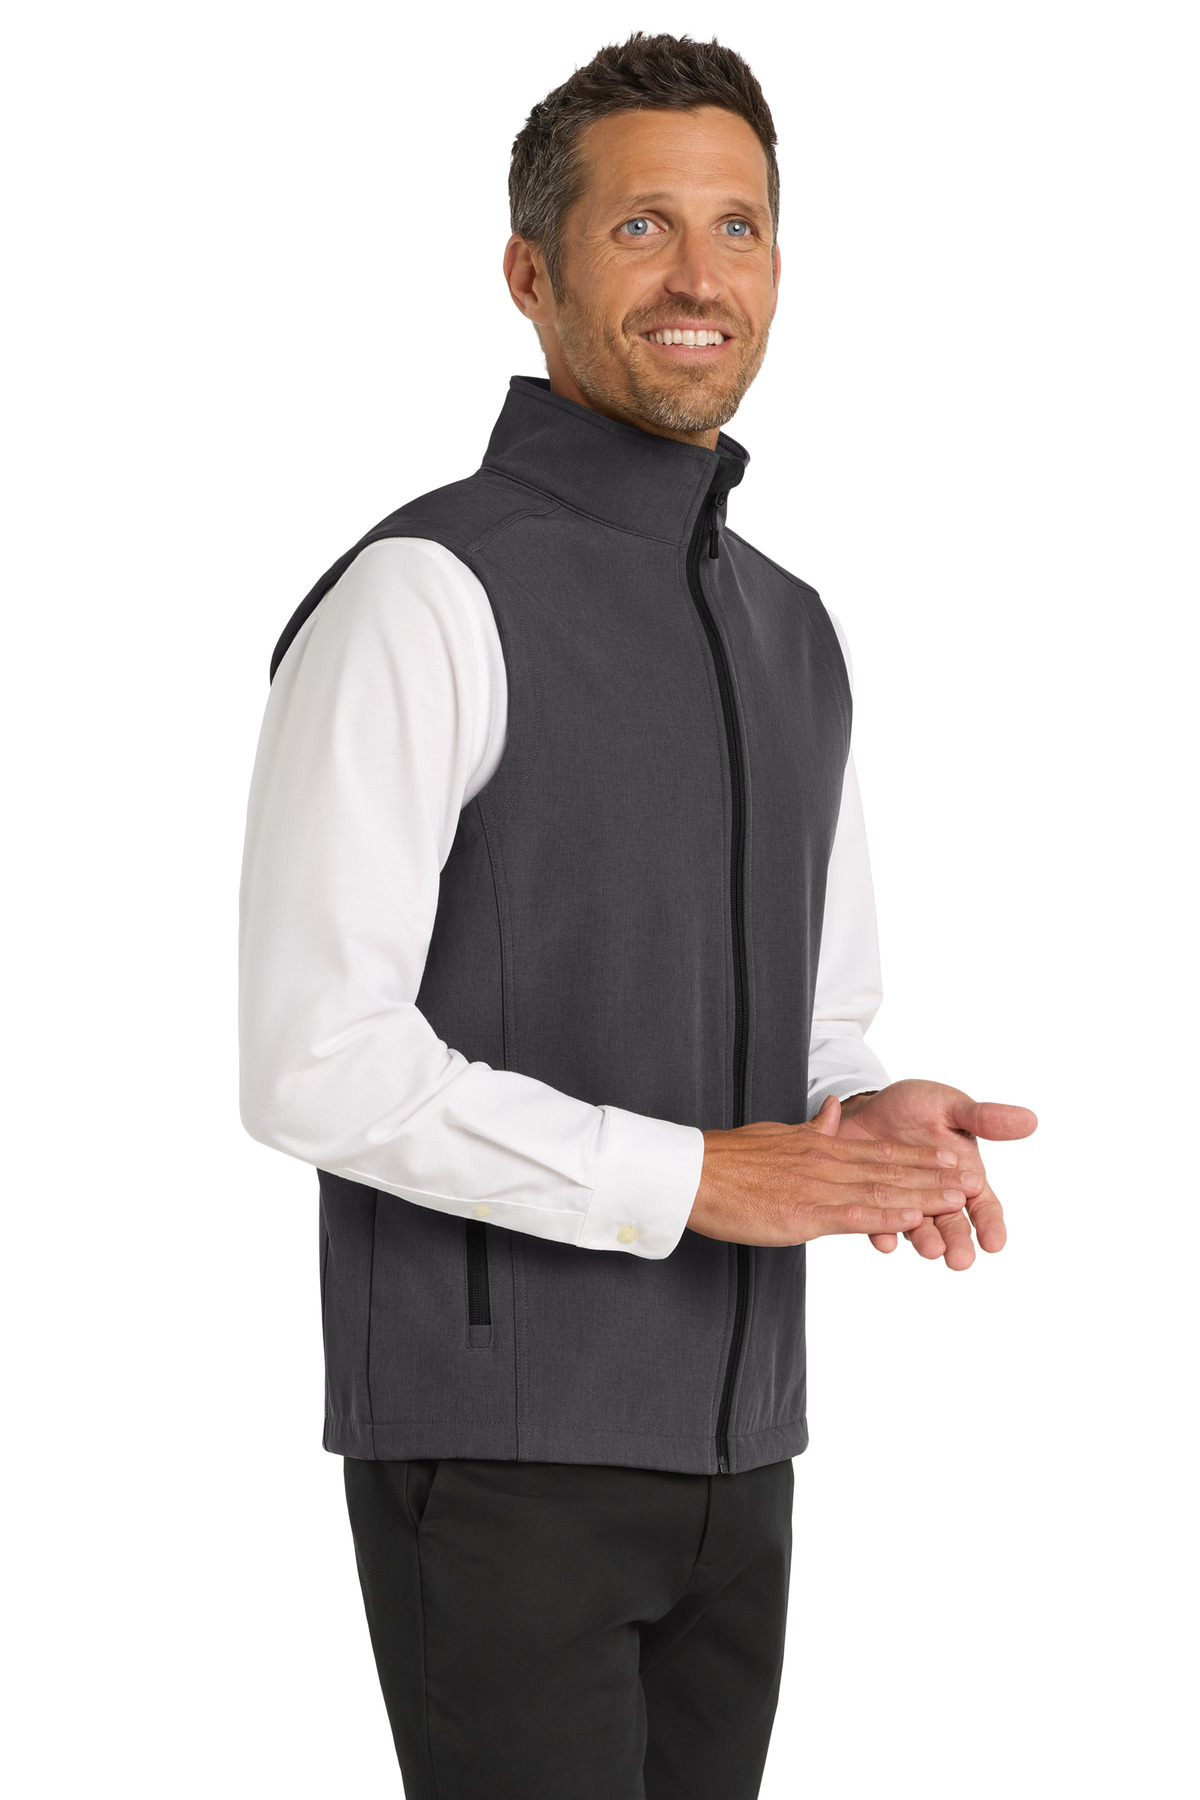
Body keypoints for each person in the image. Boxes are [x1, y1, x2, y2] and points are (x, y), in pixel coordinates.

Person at [238, 31, 1036, 1800]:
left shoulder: (793, 626)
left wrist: (858, 1116)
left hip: (745, 1449)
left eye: (738, 228)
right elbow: (312, 1061)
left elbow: (822, 1020)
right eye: (641, 227)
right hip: (499, 1449)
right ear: (530, 274)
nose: (699, 276)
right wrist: (695, 1181)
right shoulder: (424, 594)